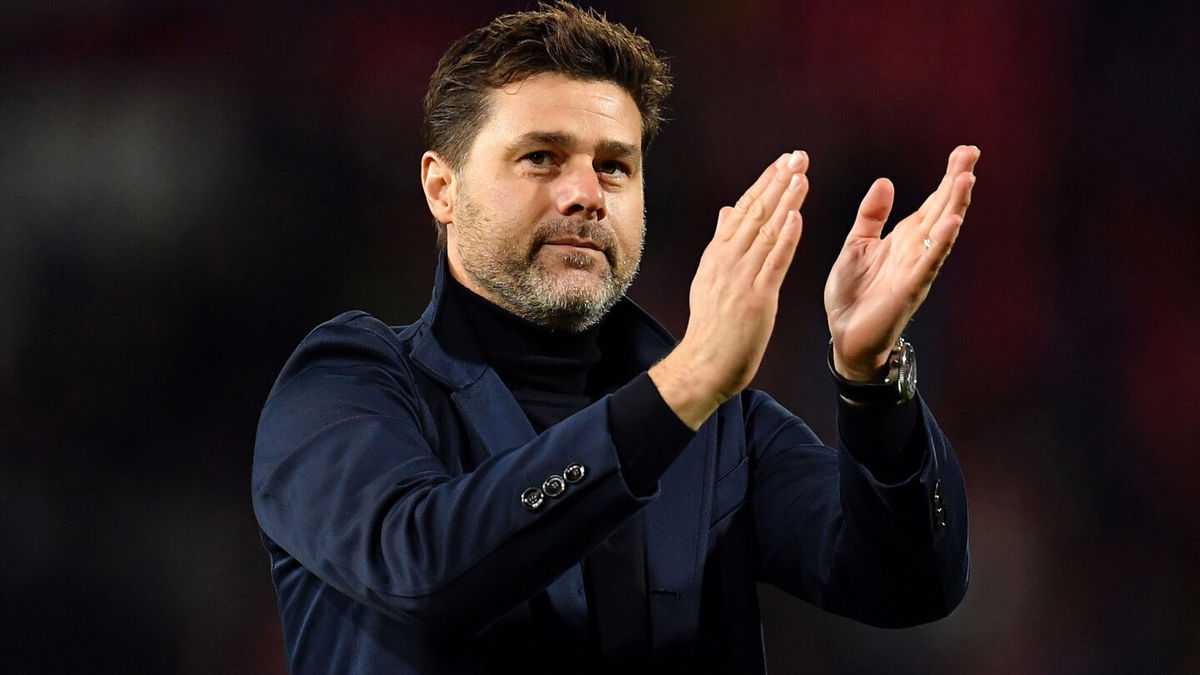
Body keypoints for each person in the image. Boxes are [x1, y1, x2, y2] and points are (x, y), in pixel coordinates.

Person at [252, 3, 978, 673]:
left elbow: (910, 584)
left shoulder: (723, 430)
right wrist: (685, 383)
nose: (587, 194)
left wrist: (872, 378)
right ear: (442, 189)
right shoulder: (344, 385)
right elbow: (425, 566)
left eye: (614, 166)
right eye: (541, 157)